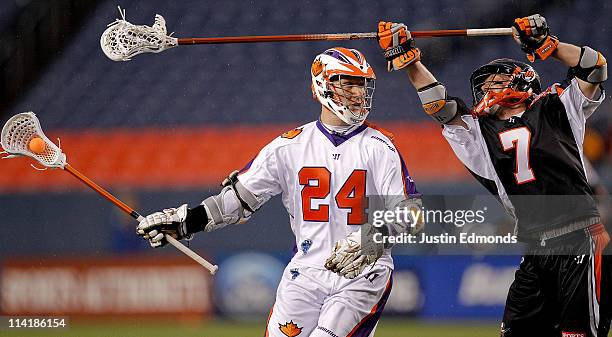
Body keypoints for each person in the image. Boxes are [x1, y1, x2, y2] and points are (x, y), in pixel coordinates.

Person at [136, 47, 423, 337]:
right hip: (306, 273)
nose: (358, 94)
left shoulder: (380, 147)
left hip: (362, 275)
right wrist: (184, 223)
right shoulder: (288, 146)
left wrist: (372, 237)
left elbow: (412, 214)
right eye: (347, 83)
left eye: (362, 85)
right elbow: (235, 201)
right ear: (322, 85)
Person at [377, 14, 609, 337]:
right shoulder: (481, 132)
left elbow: (595, 67)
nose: (486, 90)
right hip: (536, 249)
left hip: (579, 239)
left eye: (495, 82)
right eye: (484, 86)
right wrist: (410, 62)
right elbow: (440, 106)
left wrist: (548, 45)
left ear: (522, 80)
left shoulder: (559, 105)